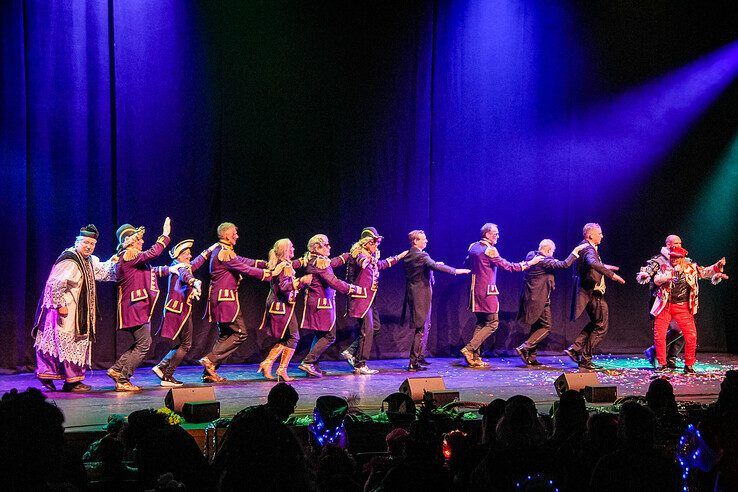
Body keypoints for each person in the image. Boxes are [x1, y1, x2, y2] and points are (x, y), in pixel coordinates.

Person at [32, 224, 117, 392]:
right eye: (85, 242)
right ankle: (70, 381)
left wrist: (117, 261)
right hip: (67, 311)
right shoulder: (70, 259)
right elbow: (54, 283)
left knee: (68, 343)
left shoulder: (89, 260)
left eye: (92, 244)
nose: (89, 246)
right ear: (77, 242)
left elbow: (102, 272)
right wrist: (60, 305)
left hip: (80, 312)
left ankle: (65, 378)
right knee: (64, 341)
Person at [461, 223, 542, 368]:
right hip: (487, 291)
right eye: (495, 234)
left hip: (474, 289)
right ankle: (469, 348)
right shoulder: (490, 250)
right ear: (487, 234)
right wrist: (530, 263)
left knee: (481, 323)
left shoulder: (473, 246)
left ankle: (474, 356)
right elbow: (508, 266)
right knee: (493, 323)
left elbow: (467, 263)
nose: (497, 236)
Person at [200, 222, 271, 383]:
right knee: (240, 333)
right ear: (226, 235)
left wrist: (263, 263)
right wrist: (267, 274)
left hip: (220, 298)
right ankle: (210, 360)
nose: (237, 236)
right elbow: (243, 268)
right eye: (234, 233)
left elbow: (242, 260)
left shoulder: (224, 251)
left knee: (226, 334)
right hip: (226, 300)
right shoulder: (223, 253)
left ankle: (208, 372)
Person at [640, 245, 727, 373]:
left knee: (691, 335)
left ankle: (689, 365)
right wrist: (666, 278)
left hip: (683, 307)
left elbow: (704, 272)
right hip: (665, 306)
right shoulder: (664, 267)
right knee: (659, 335)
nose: (673, 259)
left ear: (682, 258)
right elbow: (657, 280)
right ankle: (661, 363)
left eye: (677, 257)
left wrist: (716, 266)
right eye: (672, 257)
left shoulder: (690, 268)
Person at [107, 218, 171, 391]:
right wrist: (165, 236)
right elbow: (152, 253)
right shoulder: (129, 255)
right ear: (131, 241)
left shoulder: (129, 258)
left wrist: (169, 269)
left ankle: (117, 369)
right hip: (135, 307)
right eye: (139, 239)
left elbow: (148, 271)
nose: (142, 241)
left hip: (136, 306)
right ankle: (123, 379)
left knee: (141, 342)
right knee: (144, 344)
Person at [341, 227, 407, 375]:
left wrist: (398, 257)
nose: (376, 246)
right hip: (360, 299)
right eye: (374, 243)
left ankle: (351, 351)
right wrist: (368, 258)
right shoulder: (358, 253)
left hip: (370, 299)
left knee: (375, 327)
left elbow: (380, 264)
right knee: (367, 331)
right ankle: (360, 364)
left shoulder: (371, 255)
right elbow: (362, 262)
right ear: (366, 243)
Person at [402, 230, 470, 371]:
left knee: (425, 326)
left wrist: (433, 264)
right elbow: (435, 266)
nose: (426, 241)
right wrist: (456, 271)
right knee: (421, 328)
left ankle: (419, 356)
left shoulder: (410, 254)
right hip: (420, 295)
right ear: (416, 241)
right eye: (423, 239)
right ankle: (413, 362)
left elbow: (424, 267)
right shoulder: (421, 255)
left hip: (416, 293)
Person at [297, 234, 363, 378]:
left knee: (320, 334)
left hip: (319, 304)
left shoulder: (316, 260)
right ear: (317, 248)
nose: (329, 247)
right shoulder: (318, 263)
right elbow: (333, 281)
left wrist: (347, 255)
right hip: (321, 305)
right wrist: (353, 288)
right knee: (329, 335)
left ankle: (312, 365)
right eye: (326, 245)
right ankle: (308, 362)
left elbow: (332, 263)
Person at [151, 240, 214, 387]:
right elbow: (186, 275)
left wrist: (210, 249)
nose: (189, 256)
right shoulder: (178, 267)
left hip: (179, 309)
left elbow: (196, 263)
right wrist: (194, 282)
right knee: (186, 344)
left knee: (183, 343)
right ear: (179, 256)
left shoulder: (182, 265)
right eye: (186, 254)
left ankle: (161, 366)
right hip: (178, 310)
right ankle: (168, 375)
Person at [515, 239, 586, 366]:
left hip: (531, 298)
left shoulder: (532, 255)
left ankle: (531, 357)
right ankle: (525, 347)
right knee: (546, 326)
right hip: (540, 300)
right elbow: (564, 264)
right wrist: (575, 252)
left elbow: (553, 263)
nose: (553, 254)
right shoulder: (544, 261)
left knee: (536, 327)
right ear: (548, 250)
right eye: (552, 252)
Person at [566, 223, 625, 371]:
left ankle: (575, 348)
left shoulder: (586, 247)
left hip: (590, 292)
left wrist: (604, 266)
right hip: (594, 293)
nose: (602, 236)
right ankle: (586, 359)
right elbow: (592, 262)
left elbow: (592, 264)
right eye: (600, 233)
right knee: (601, 326)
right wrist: (612, 275)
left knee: (595, 323)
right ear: (591, 235)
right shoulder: (588, 249)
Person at [256, 238, 312, 382]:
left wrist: (304, 259)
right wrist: (300, 281)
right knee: (294, 337)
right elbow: (283, 287)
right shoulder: (283, 265)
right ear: (285, 250)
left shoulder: (284, 264)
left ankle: (268, 363)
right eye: (291, 247)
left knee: (288, 337)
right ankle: (281, 369)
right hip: (280, 306)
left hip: (282, 305)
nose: (293, 249)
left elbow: (294, 265)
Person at [637, 235, 687, 369]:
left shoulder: (682, 259)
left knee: (683, 328)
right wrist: (645, 274)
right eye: (676, 243)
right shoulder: (659, 260)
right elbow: (649, 270)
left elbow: (694, 270)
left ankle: (670, 357)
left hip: (679, 300)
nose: (679, 245)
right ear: (668, 245)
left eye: (680, 243)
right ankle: (658, 354)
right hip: (661, 301)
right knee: (668, 329)